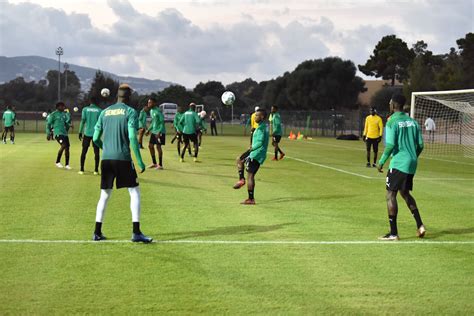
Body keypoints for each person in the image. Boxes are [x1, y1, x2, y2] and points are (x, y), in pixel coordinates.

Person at [92, 83, 151, 243]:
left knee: (104, 194)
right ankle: (136, 232)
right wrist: (139, 161)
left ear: (116, 95)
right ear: (129, 96)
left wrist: (105, 148)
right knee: (134, 192)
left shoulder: (104, 112)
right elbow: (132, 137)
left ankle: (97, 232)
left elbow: (95, 138)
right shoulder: (130, 112)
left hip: (106, 159)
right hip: (123, 158)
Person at [377, 94, 426, 241]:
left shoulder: (392, 122)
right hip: (411, 162)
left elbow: (390, 145)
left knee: (390, 195)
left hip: (399, 163)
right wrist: (412, 157)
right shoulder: (413, 121)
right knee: (405, 193)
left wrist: (381, 161)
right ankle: (420, 225)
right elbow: (421, 145)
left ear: (393, 104)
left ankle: (393, 233)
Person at [233, 108, 269, 205]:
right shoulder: (262, 126)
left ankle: (250, 197)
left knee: (250, 176)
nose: (255, 117)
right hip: (256, 153)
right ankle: (242, 181)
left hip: (255, 154)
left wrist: (252, 148)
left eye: (257, 115)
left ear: (262, 117)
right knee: (239, 160)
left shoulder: (261, 128)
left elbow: (260, 142)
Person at [78, 98, 101, 175]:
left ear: (90, 102)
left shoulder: (85, 109)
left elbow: (83, 121)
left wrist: (80, 132)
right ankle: (96, 170)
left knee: (84, 151)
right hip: (96, 134)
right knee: (96, 152)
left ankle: (81, 169)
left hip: (87, 133)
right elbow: (101, 123)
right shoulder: (100, 110)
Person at [46, 102, 72, 169]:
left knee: (67, 148)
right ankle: (57, 162)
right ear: (58, 107)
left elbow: (66, 123)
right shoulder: (53, 114)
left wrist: (70, 125)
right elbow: (48, 124)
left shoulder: (64, 114)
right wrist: (48, 133)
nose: (64, 107)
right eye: (62, 106)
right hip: (58, 133)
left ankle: (67, 164)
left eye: (64, 106)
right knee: (63, 145)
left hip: (65, 134)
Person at [145, 98, 165, 169]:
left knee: (158, 147)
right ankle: (154, 163)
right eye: (148, 102)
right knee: (150, 146)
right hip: (154, 131)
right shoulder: (151, 111)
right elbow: (153, 122)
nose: (148, 104)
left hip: (160, 132)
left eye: (150, 103)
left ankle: (160, 165)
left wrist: (159, 132)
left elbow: (162, 122)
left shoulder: (158, 111)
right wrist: (148, 130)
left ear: (154, 103)